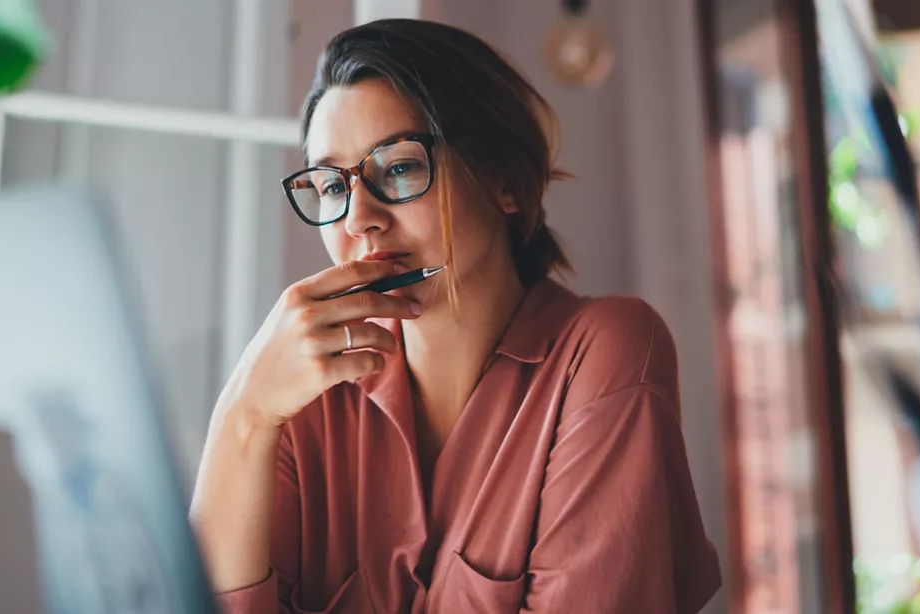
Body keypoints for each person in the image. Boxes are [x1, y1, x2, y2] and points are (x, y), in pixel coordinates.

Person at [190, 18, 721, 613]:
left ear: (502, 180)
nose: (358, 218)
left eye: (398, 167)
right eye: (332, 187)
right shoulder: (305, 400)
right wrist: (243, 414)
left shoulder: (604, 353)